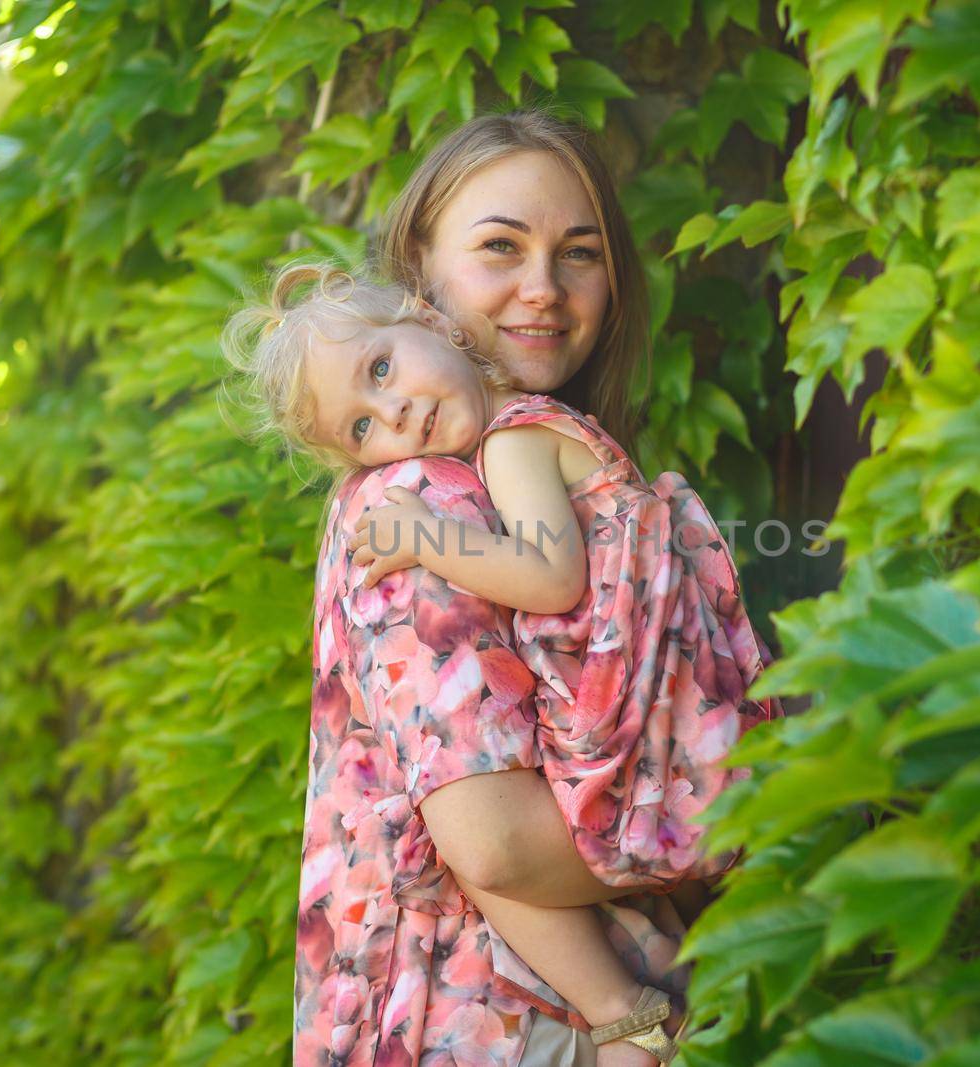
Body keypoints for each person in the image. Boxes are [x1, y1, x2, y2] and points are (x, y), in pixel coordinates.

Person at [228, 110, 751, 1067]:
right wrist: (728, 837)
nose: (544, 288)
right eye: (500, 246)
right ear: (423, 283)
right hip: (497, 1015)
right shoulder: (417, 494)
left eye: (579, 253)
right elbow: (498, 843)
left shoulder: (518, 455)